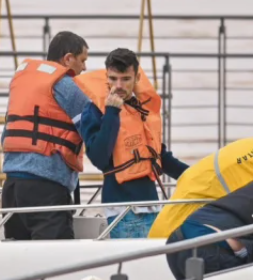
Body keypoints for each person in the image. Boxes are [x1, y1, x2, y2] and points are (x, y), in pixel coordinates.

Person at [0, 30, 103, 240]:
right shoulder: (66, 85)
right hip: (45, 188)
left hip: (11, 188)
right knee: (55, 258)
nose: (84, 67)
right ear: (68, 58)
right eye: (82, 60)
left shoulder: (22, 84)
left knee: (20, 253)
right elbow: (94, 131)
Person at [75, 48, 188, 238]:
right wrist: (111, 112)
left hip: (152, 206)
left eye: (125, 79)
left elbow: (159, 156)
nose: (118, 85)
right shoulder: (94, 111)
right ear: (107, 78)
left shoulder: (140, 110)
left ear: (136, 78)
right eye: (113, 78)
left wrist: (194, 175)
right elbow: (99, 158)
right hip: (122, 212)